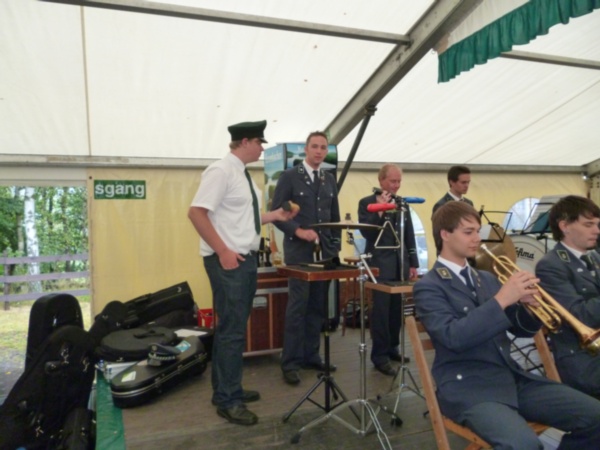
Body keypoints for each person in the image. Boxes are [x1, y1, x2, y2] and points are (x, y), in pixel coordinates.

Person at [414, 201, 600, 449]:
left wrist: (530, 307)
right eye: (468, 232)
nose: (477, 238)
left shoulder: (487, 278)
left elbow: (521, 329)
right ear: (445, 235)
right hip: (468, 387)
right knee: (524, 444)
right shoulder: (428, 286)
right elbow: (453, 337)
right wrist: (502, 299)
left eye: (477, 231)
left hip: (511, 378)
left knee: (596, 416)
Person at [188, 120, 297, 426]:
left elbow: (243, 217)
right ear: (245, 142)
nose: (262, 148)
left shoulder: (241, 174)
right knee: (232, 332)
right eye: (259, 142)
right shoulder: (221, 171)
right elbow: (196, 213)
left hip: (242, 259)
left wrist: (275, 215)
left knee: (234, 329)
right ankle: (228, 400)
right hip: (229, 261)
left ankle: (227, 389)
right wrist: (223, 251)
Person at [271, 131, 341, 385]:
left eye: (323, 147)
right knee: (298, 307)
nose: (319, 151)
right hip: (299, 253)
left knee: (317, 307)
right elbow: (275, 213)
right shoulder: (290, 176)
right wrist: (298, 231)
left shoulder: (329, 179)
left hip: (324, 255)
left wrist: (334, 246)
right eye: (315, 146)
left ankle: (311, 355)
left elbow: (334, 216)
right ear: (306, 149)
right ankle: (290, 362)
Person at [535, 195, 600, 398]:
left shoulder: (594, 257)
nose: (597, 231)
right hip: (584, 360)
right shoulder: (550, 266)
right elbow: (578, 315)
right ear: (564, 226)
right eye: (588, 224)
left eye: (597, 224)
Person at [357, 164, 419, 376]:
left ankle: (393, 347)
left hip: (400, 264)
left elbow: (409, 234)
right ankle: (379, 355)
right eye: (393, 181)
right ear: (381, 180)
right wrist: (381, 209)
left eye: (399, 181)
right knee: (381, 312)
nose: (396, 185)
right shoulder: (366, 202)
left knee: (396, 309)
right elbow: (367, 233)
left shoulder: (402, 203)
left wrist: (413, 263)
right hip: (379, 265)